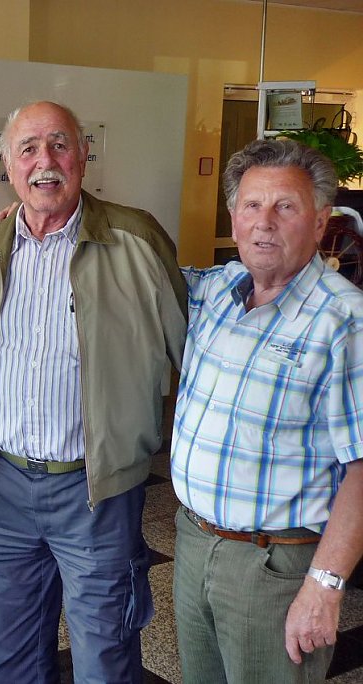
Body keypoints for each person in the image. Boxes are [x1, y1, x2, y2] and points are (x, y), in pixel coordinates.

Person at [0, 101, 187, 683]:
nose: (44, 161)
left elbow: (188, 354)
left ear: (84, 155)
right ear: (8, 166)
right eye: (27, 149)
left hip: (96, 493)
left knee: (105, 658)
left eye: (59, 145)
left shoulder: (136, 239)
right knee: (11, 661)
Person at [171, 138, 363, 683]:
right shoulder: (214, 291)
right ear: (233, 218)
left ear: (320, 221)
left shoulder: (345, 322)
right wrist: (35, 215)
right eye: (251, 205)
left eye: (286, 206)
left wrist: (324, 587)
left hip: (276, 566)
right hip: (194, 542)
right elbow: (132, 268)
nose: (265, 222)